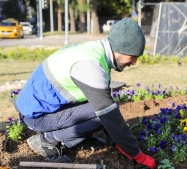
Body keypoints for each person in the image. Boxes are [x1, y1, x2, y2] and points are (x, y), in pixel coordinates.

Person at [14, 18, 156, 168]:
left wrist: (116, 142)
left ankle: (80, 137)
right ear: (121, 49)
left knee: (105, 107)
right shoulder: (89, 65)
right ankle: (48, 140)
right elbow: (108, 115)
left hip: (42, 106)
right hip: (38, 115)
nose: (134, 62)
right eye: (133, 56)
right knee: (103, 115)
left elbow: (103, 102)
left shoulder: (97, 51)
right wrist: (137, 155)